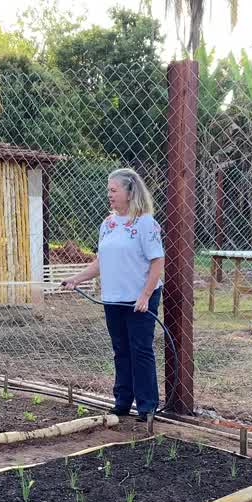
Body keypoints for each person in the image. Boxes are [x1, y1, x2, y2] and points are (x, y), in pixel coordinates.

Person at [62, 168, 164, 421]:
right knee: (121, 350)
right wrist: (76, 279)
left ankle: (147, 406)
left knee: (140, 349)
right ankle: (122, 400)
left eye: (113, 190)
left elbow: (157, 261)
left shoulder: (145, 223)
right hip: (113, 298)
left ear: (130, 192)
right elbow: (101, 263)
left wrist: (145, 295)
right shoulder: (107, 224)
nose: (109, 195)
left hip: (140, 298)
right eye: (109, 190)